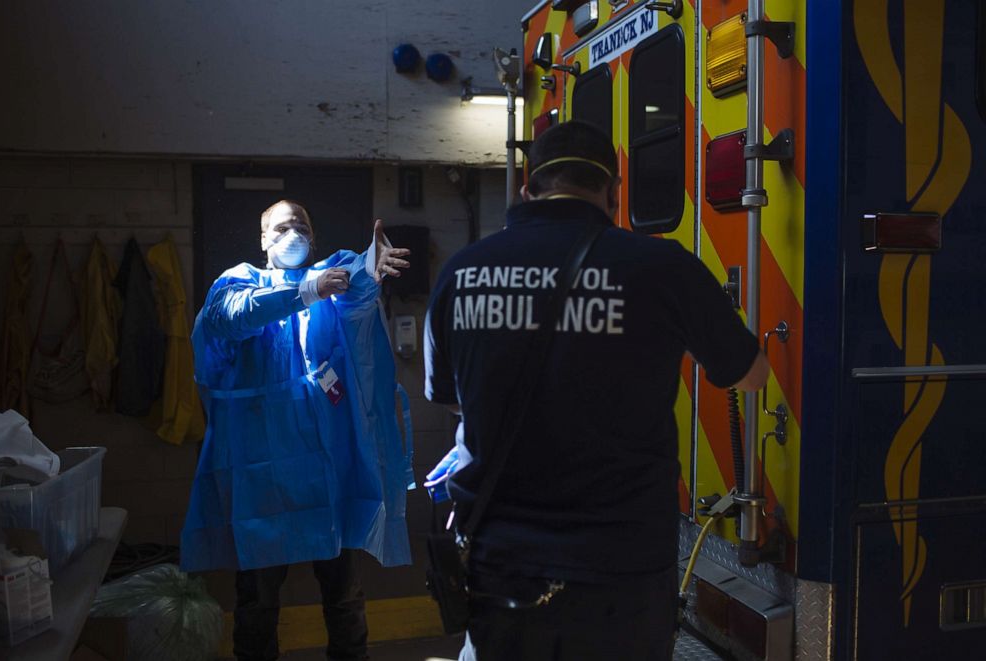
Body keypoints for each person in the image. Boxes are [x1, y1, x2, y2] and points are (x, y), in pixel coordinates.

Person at [423, 121, 770, 661]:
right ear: (614, 191)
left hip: (502, 569)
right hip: (622, 575)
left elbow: (450, 396)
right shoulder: (661, 267)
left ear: (527, 189)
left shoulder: (461, 273)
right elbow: (750, 375)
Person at [181, 200, 414, 661]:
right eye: (283, 227)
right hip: (263, 479)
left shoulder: (333, 275)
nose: (294, 235)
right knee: (258, 603)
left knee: (344, 598)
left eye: (302, 226)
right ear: (264, 240)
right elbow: (233, 317)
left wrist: (372, 264)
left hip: (329, 475)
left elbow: (358, 286)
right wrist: (306, 289)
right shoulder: (240, 281)